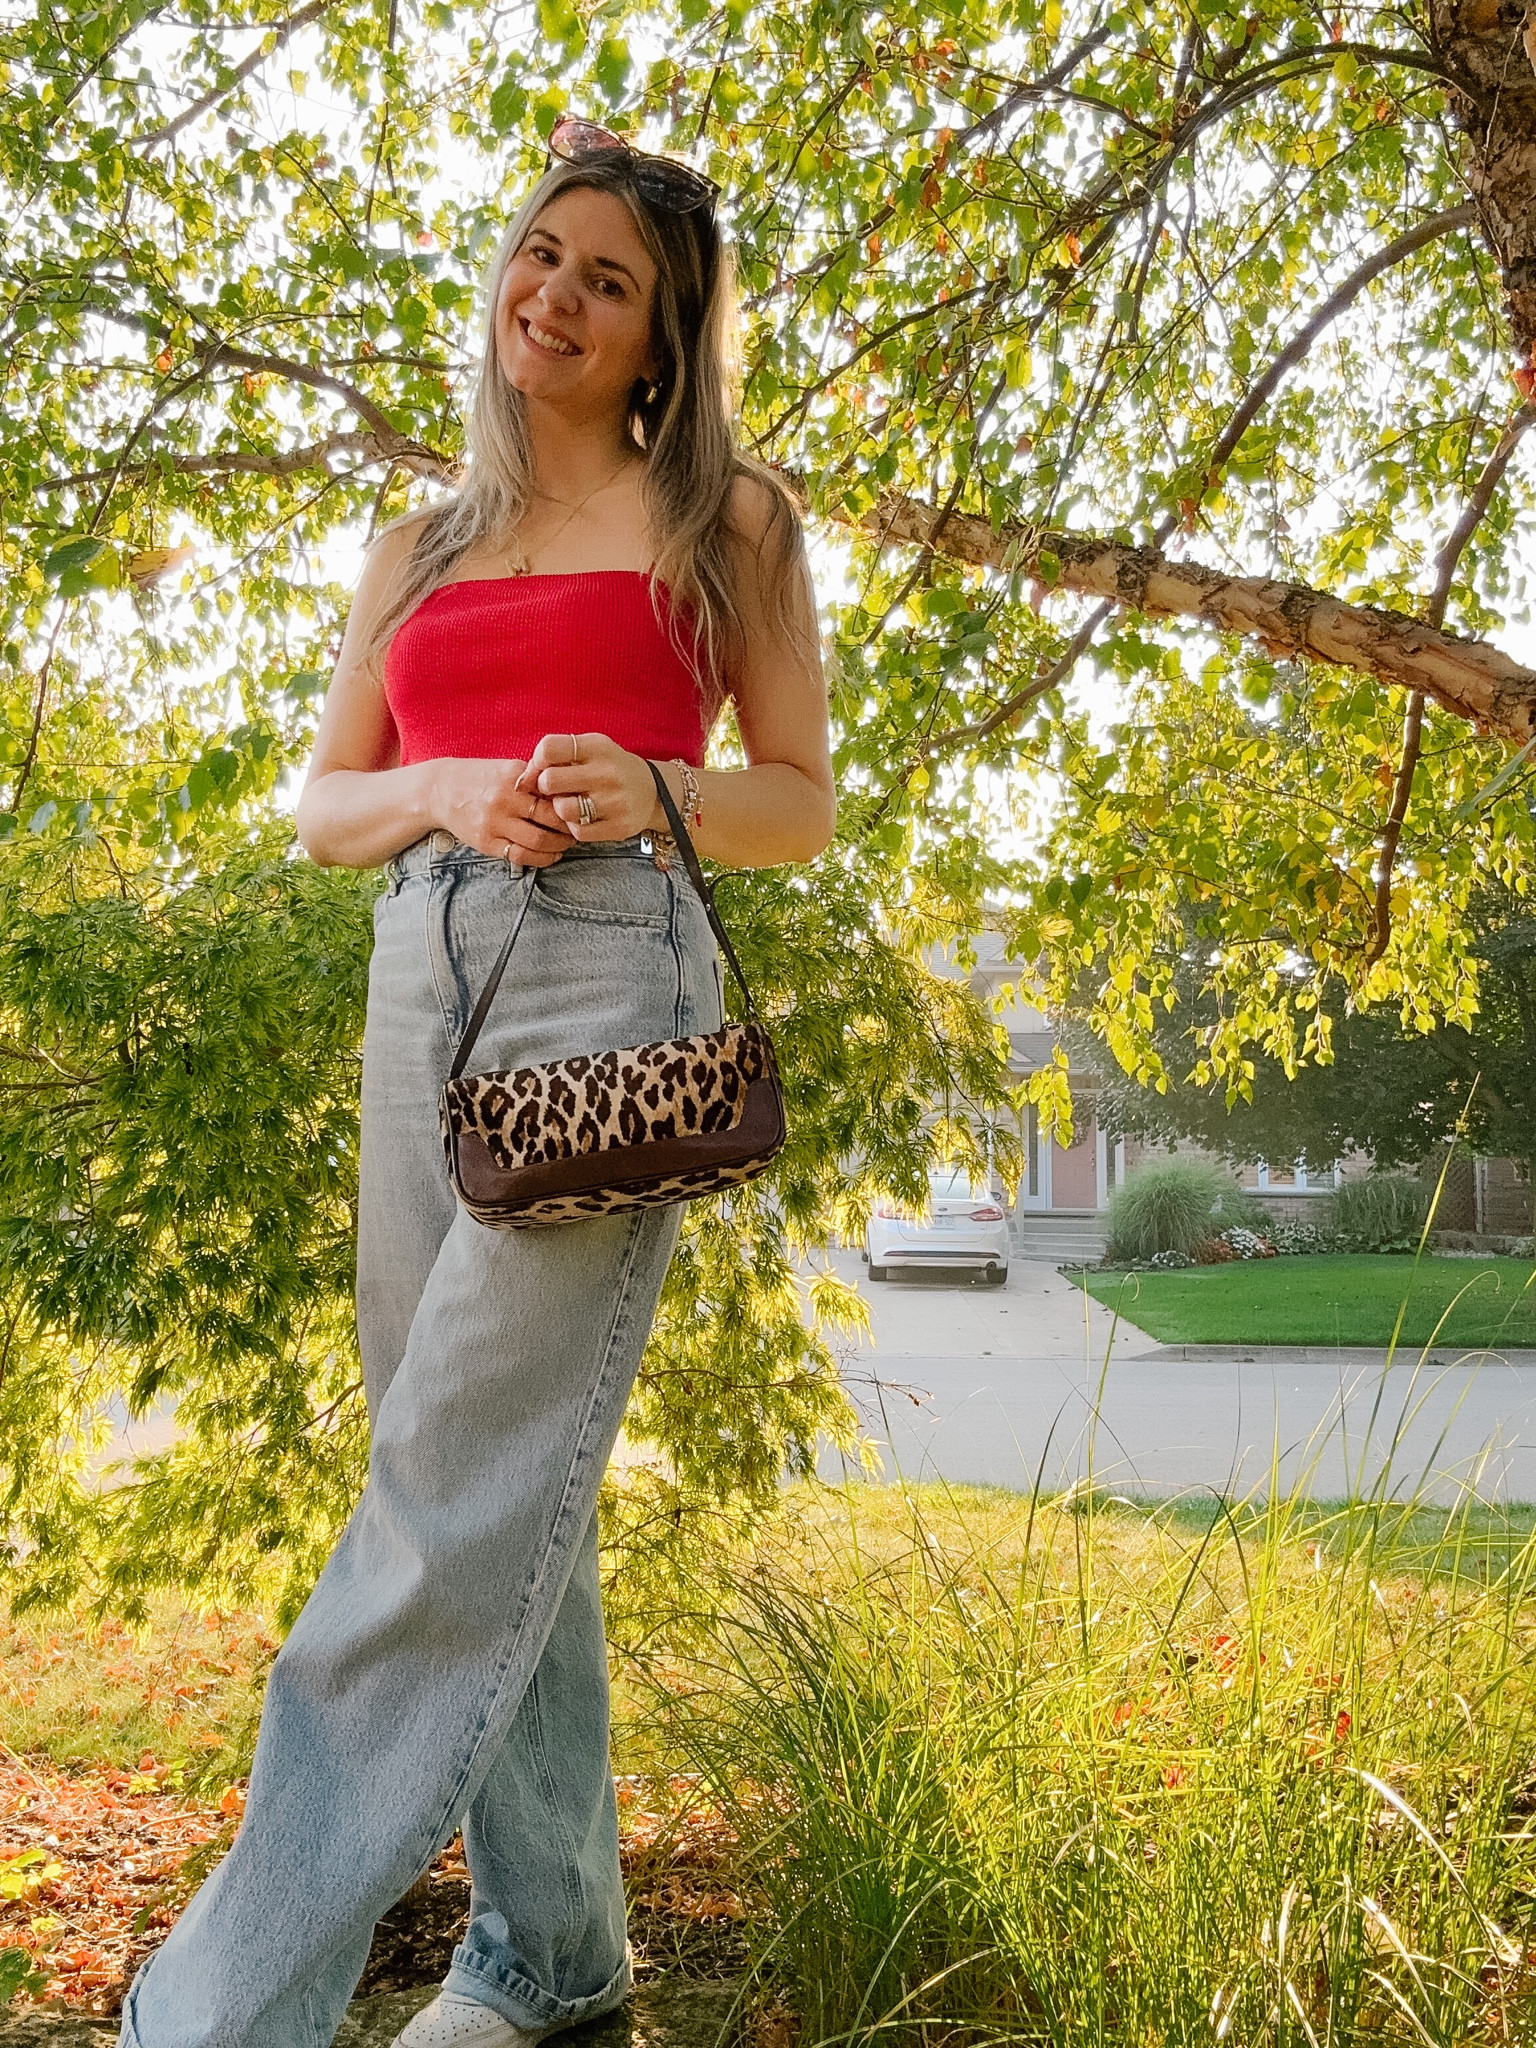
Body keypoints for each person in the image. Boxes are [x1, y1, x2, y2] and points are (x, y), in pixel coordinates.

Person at [117, 116, 835, 2048]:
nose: (559, 296)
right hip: (414, 984)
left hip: (605, 979)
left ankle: (216, 2011)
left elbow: (803, 799)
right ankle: (557, 1956)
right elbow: (322, 803)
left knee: (448, 1499)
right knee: (493, 1485)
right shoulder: (416, 542)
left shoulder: (731, 523)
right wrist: (441, 785)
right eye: (542, 254)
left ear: (665, 338)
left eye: (611, 281)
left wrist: (661, 786)